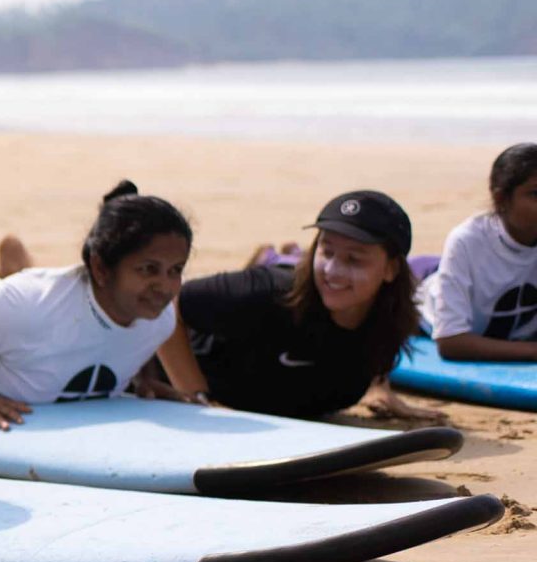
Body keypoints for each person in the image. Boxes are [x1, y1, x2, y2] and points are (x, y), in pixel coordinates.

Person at [0, 182, 205, 437]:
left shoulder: (158, 317)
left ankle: (4, 269)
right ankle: (3, 270)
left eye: (175, 270)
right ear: (100, 269)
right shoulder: (30, 308)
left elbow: (132, 337)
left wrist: (146, 380)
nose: (165, 287)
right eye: (148, 269)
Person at [178, 190, 444, 421]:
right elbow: (173, 302)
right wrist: (193, 393)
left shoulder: (390, 321)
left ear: (391, 269)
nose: (333, 270)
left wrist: (379, 387)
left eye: (354, 259)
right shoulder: (269, 291)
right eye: (327, 251)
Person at [418, 143, 537, 361]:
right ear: (501, 199)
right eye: (535, 194)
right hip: (421, 294)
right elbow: (450, 342)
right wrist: (532, 351)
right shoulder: (467, 240)